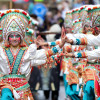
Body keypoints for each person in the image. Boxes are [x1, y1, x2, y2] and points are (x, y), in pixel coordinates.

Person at [0, 9, 67, 100]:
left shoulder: (27, 51)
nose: (14, 39)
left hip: (23, 89)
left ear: (21, 37)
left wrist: (60, 45)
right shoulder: (1, 51)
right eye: (12, 36)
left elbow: (44, 54)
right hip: (5, 88)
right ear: (7, 37)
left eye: (17, 36)